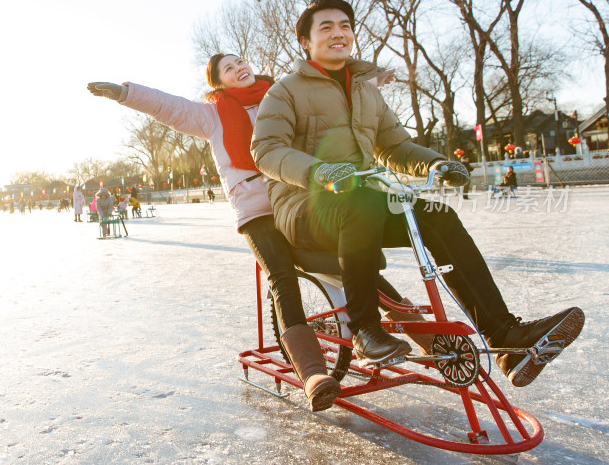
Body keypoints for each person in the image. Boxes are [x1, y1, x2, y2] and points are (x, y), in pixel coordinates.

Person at [251, 0, 583, 386]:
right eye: (326, 28)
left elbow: (393, 147)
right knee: (362, 203)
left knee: (436, 215)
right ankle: (365, 330)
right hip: (305, 206)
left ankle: (504, 336)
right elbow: (266, 150)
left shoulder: (365, 91)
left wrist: (436, 164)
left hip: (361, 202)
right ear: (305, 41)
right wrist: (323, 172)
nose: (338, 34)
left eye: (345, 26)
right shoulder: (286, 90)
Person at [87, 54, 404, 411]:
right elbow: (168, 106)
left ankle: (421, 331)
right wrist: (125, 93)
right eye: (229, 68)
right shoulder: (212, 115)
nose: (240, 67)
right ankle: (314, 374)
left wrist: (371, 82)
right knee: (282, 277)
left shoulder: (281, 96)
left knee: (349, 254)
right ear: (218, 83)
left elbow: (329, 104)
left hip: (299, 198)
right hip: (256, 210)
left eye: (241, 62)